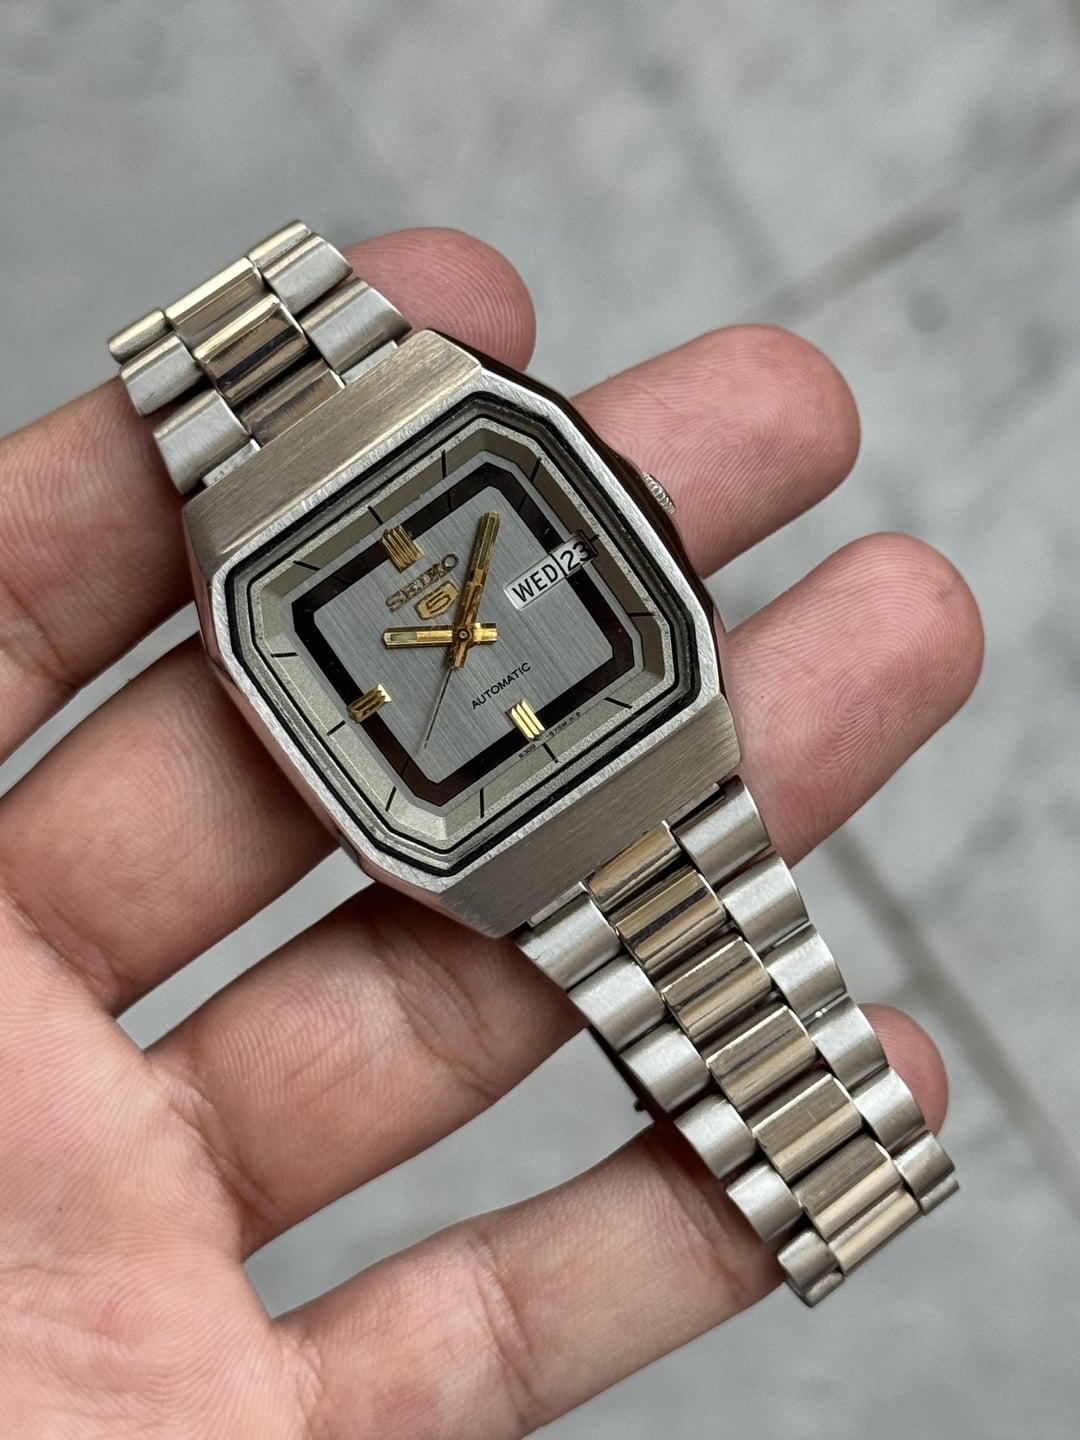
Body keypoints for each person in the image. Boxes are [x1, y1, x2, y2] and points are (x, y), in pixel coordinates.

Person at [0, 228, 982, 1436]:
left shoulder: (493, 454)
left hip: (657, 741)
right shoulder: (266, 618)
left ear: (642, 512)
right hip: (495, 842)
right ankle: (823, 1173)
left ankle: (827, 1166)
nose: (462, 641)